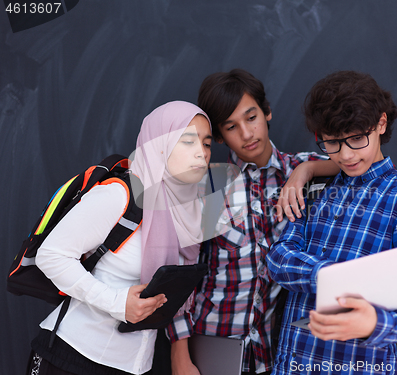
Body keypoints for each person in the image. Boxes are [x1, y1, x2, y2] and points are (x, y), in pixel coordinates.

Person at [166, 69, 340, 375]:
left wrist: (306, 171)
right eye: (232, 127)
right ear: (219, 136)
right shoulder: (209, 186)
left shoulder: (299, 169)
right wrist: (180, 355)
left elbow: (353, 162)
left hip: (277, 349)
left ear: (267, 112)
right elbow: (181, 274)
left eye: (251, 117)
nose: (247, 134)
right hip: (213, 341)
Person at [266, 70, 397, 374]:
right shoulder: (318, 187)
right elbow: (279, 258)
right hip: (294, 363)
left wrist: (374, 321)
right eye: (332, 143)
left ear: (381, 123)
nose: (345, 155)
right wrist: (334, 277)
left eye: (357, 139)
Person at [27, 101, 213, 375]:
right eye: (187, 141)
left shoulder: (189, 210)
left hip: (136, 365)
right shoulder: (121, 194)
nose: (201, 153)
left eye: (207, 144)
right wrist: (117, 303)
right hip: (73, 356)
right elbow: (51, 255)